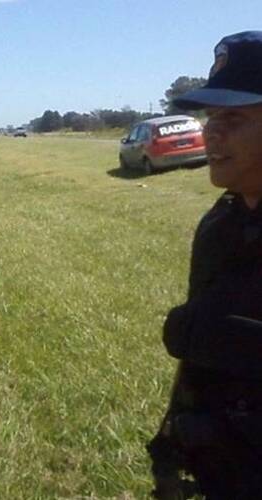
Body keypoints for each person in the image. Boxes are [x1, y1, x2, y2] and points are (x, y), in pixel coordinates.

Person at [147, 31, 262, 499]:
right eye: (211, 116)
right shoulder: (222, 222)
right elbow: (199, 365)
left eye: (233, 117)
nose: (211, 131)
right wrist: (174, 438)